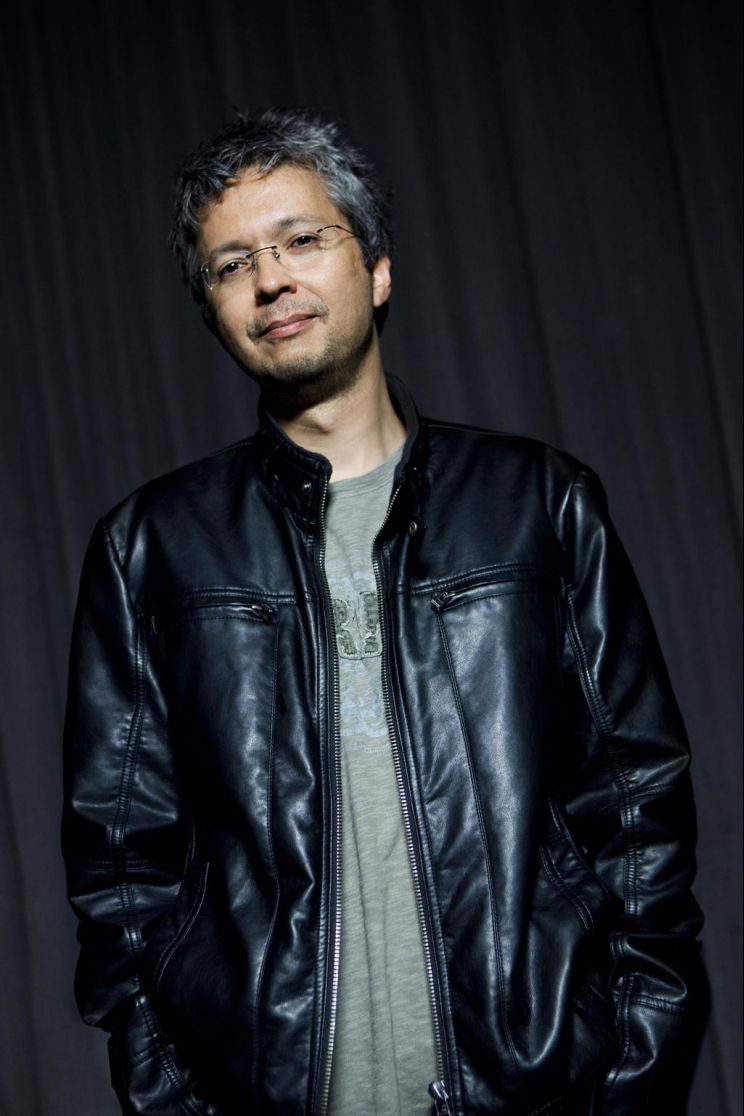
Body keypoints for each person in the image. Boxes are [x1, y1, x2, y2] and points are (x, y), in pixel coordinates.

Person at [62, 108, 704, 1116]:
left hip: (537, 1089)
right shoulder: (150, 549)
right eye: (233, 264)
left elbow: (639, 817)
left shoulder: (536, 504)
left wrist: (626, 1087)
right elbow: (120, 872)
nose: (271, 280)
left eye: (301, 239)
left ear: (378, 268)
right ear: (214, 310)